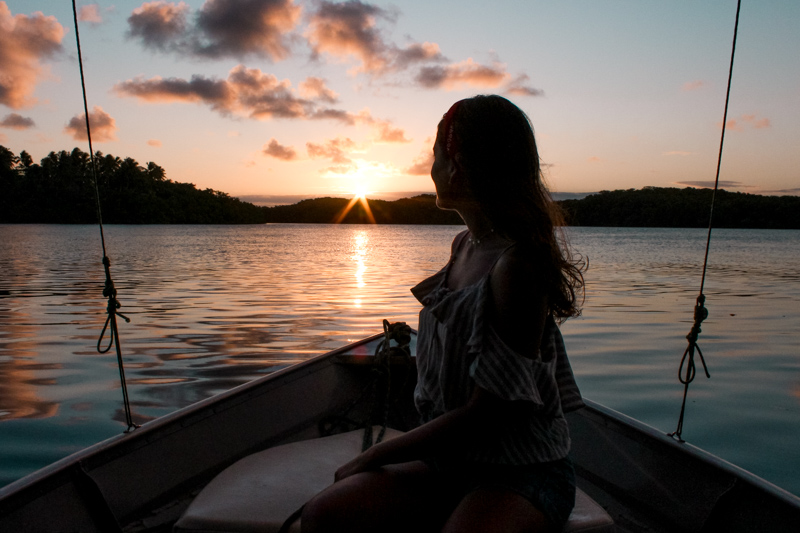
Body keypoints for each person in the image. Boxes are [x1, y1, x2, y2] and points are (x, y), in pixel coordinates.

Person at [301, 95, 586, 533]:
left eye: (435, 155)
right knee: (323, 516)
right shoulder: (463, 246)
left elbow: (490, 413)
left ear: (458, 164)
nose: (429, 169)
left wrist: (378, 453)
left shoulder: (517, 265)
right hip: (450, 462)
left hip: (523, 471)